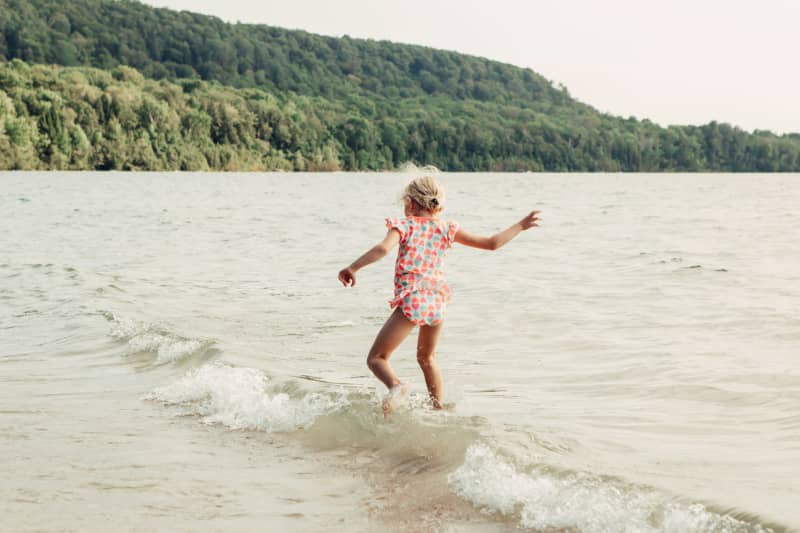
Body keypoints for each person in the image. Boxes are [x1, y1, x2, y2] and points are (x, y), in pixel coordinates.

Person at [338, 176, 540, 415]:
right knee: (427, 358)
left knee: (376, 358)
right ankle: (439, 409)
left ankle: (396, 386)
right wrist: (520, 225)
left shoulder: (404, 225)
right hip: (437, 302)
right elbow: (491, 243)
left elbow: (383, 249)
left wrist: (352, 268)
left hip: (414, 299)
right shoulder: (447, 228)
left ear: (411, 204)